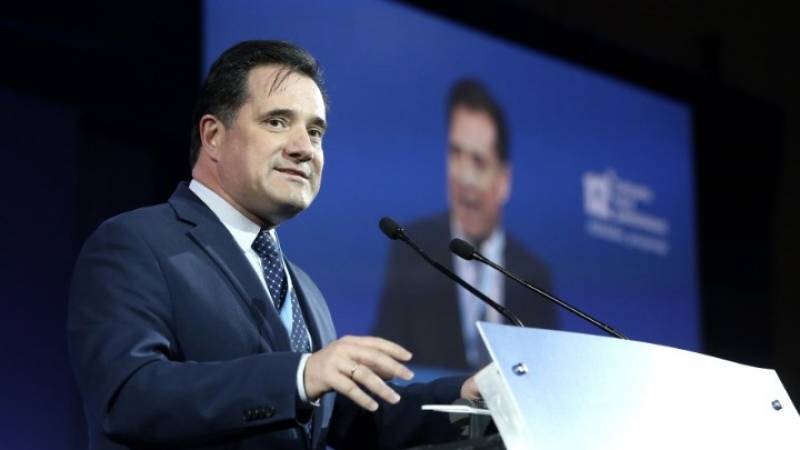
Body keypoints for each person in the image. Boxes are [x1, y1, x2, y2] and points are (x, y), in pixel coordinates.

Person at [68, 40, 479, 450]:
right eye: (277, 122)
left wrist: (471, 397)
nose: (304, 149)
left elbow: (351, 419)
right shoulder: (136, 244)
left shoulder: (304, 289)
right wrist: (299, 376)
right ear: (213, 136)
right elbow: (128, 397)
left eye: (315, 132)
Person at [374, 79, 558, 370]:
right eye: (455, 154)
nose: (464, 177)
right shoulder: (414, 249)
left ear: (504, 180)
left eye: (478, 161)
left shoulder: (533, 277)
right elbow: (386, 359)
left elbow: (547, 376)